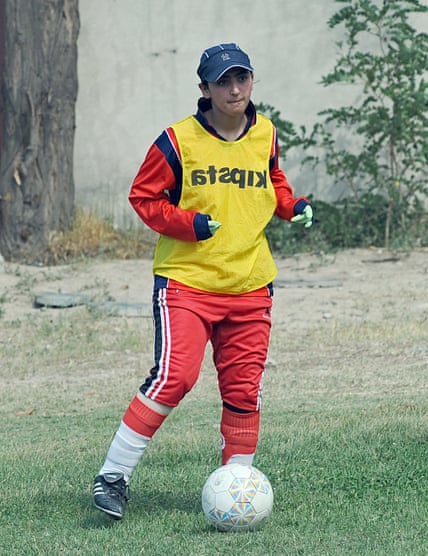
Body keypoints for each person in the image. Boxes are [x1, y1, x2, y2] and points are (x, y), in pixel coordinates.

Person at [93, 42, 313, 520]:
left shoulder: (267, 134)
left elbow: (272, 179)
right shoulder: (177, 141)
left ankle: (237, 493)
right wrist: (187, 224)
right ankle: (112, 477)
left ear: (252, 81)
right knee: (175, 377)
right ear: (205, 89)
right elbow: (144, 197)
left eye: (242, 78)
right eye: (223, 82)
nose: (234, 89)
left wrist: (290, 205)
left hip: (251, 283)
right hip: (187, 283)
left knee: (243, 392)